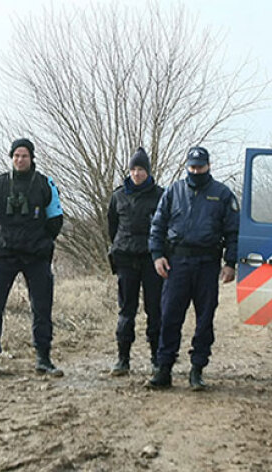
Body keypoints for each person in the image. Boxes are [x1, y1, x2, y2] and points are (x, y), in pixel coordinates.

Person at [0, 138, 65, 377]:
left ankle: (43, 358)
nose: (20, 160)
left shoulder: (45, 184)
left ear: (32, 158)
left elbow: (56, 220)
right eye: (16, 156)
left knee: (41, 308)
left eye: (24, 156)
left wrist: (40, 240)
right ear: (11, 158)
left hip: (36, 254)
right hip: (5, 252)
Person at [147, 146, 239, 390]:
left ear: (208, 165)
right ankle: (163, 368)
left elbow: (233, 232)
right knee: (169, 317)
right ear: (187, 165)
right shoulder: (173, 192)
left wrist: (230, 263)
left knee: (205, 319)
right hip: (177, 263)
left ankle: (197, 369)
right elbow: (157, 226)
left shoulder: (222, 194)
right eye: (192, 166)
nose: (195, 170)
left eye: (200, 166)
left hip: (207, 264)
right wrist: (157, 256)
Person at [106, 147, 165, 376]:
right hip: (126, 260)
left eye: (141, 169)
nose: (137, 174)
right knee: (126, 311)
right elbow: (112, 226)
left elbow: (166, 227)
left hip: (152, 260)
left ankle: (156, 359)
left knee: (155, 310)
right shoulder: (118, 196)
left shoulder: (160, 195)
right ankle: (123, 359)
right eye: (133, 169)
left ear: (148, 172)